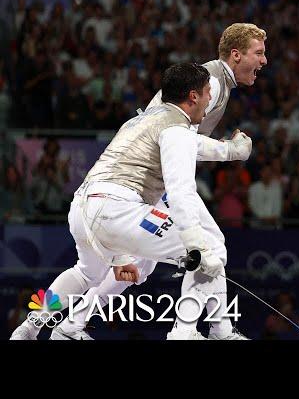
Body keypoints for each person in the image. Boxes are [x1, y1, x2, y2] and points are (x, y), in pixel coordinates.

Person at [44, 23, 267, 341]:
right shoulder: (211, 83)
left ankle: (63, 324)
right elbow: (175, 142)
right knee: (209, 245)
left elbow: (175, 137)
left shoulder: (215, 82)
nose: (264, 61)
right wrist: (229, 151)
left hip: (108, 194)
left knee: (134, 267)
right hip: (148, 183)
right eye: (259, 53)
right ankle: (192, 331)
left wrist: (229, 151)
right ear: (236, 54)